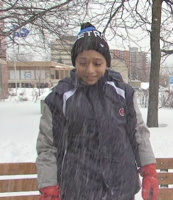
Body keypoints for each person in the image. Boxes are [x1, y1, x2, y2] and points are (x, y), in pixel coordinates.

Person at [36, 22, 159, 200]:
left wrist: (149, 170)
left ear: (106, 63)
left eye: (97, 63)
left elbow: (138, 132)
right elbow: (48, 146)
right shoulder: (59, 98)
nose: (90, 70)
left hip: (121, 189)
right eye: (83, 63)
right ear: (75, 62)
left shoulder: (123, 93)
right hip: (79, 190)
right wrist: (49, 186)